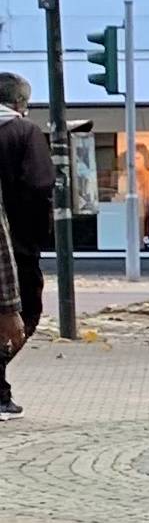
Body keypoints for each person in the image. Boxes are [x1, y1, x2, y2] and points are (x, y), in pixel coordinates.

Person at [0, 72, 49, 421]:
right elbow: (38, 186)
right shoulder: (24, 132)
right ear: (20, 103)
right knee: (24, 312)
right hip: (14, 244)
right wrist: (35, 239)